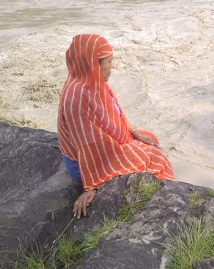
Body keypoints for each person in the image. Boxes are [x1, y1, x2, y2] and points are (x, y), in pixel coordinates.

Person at [57, 33, 175, 219]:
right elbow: (86, 145)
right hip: (85, 163)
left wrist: (135, 132)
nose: (112, 68)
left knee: (149, 137)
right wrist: (92, 186)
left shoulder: (91, 81)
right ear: (94, 64)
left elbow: (115, 113)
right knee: (155, 156)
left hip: (99, 147)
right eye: (109, 62)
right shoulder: (77, 97)